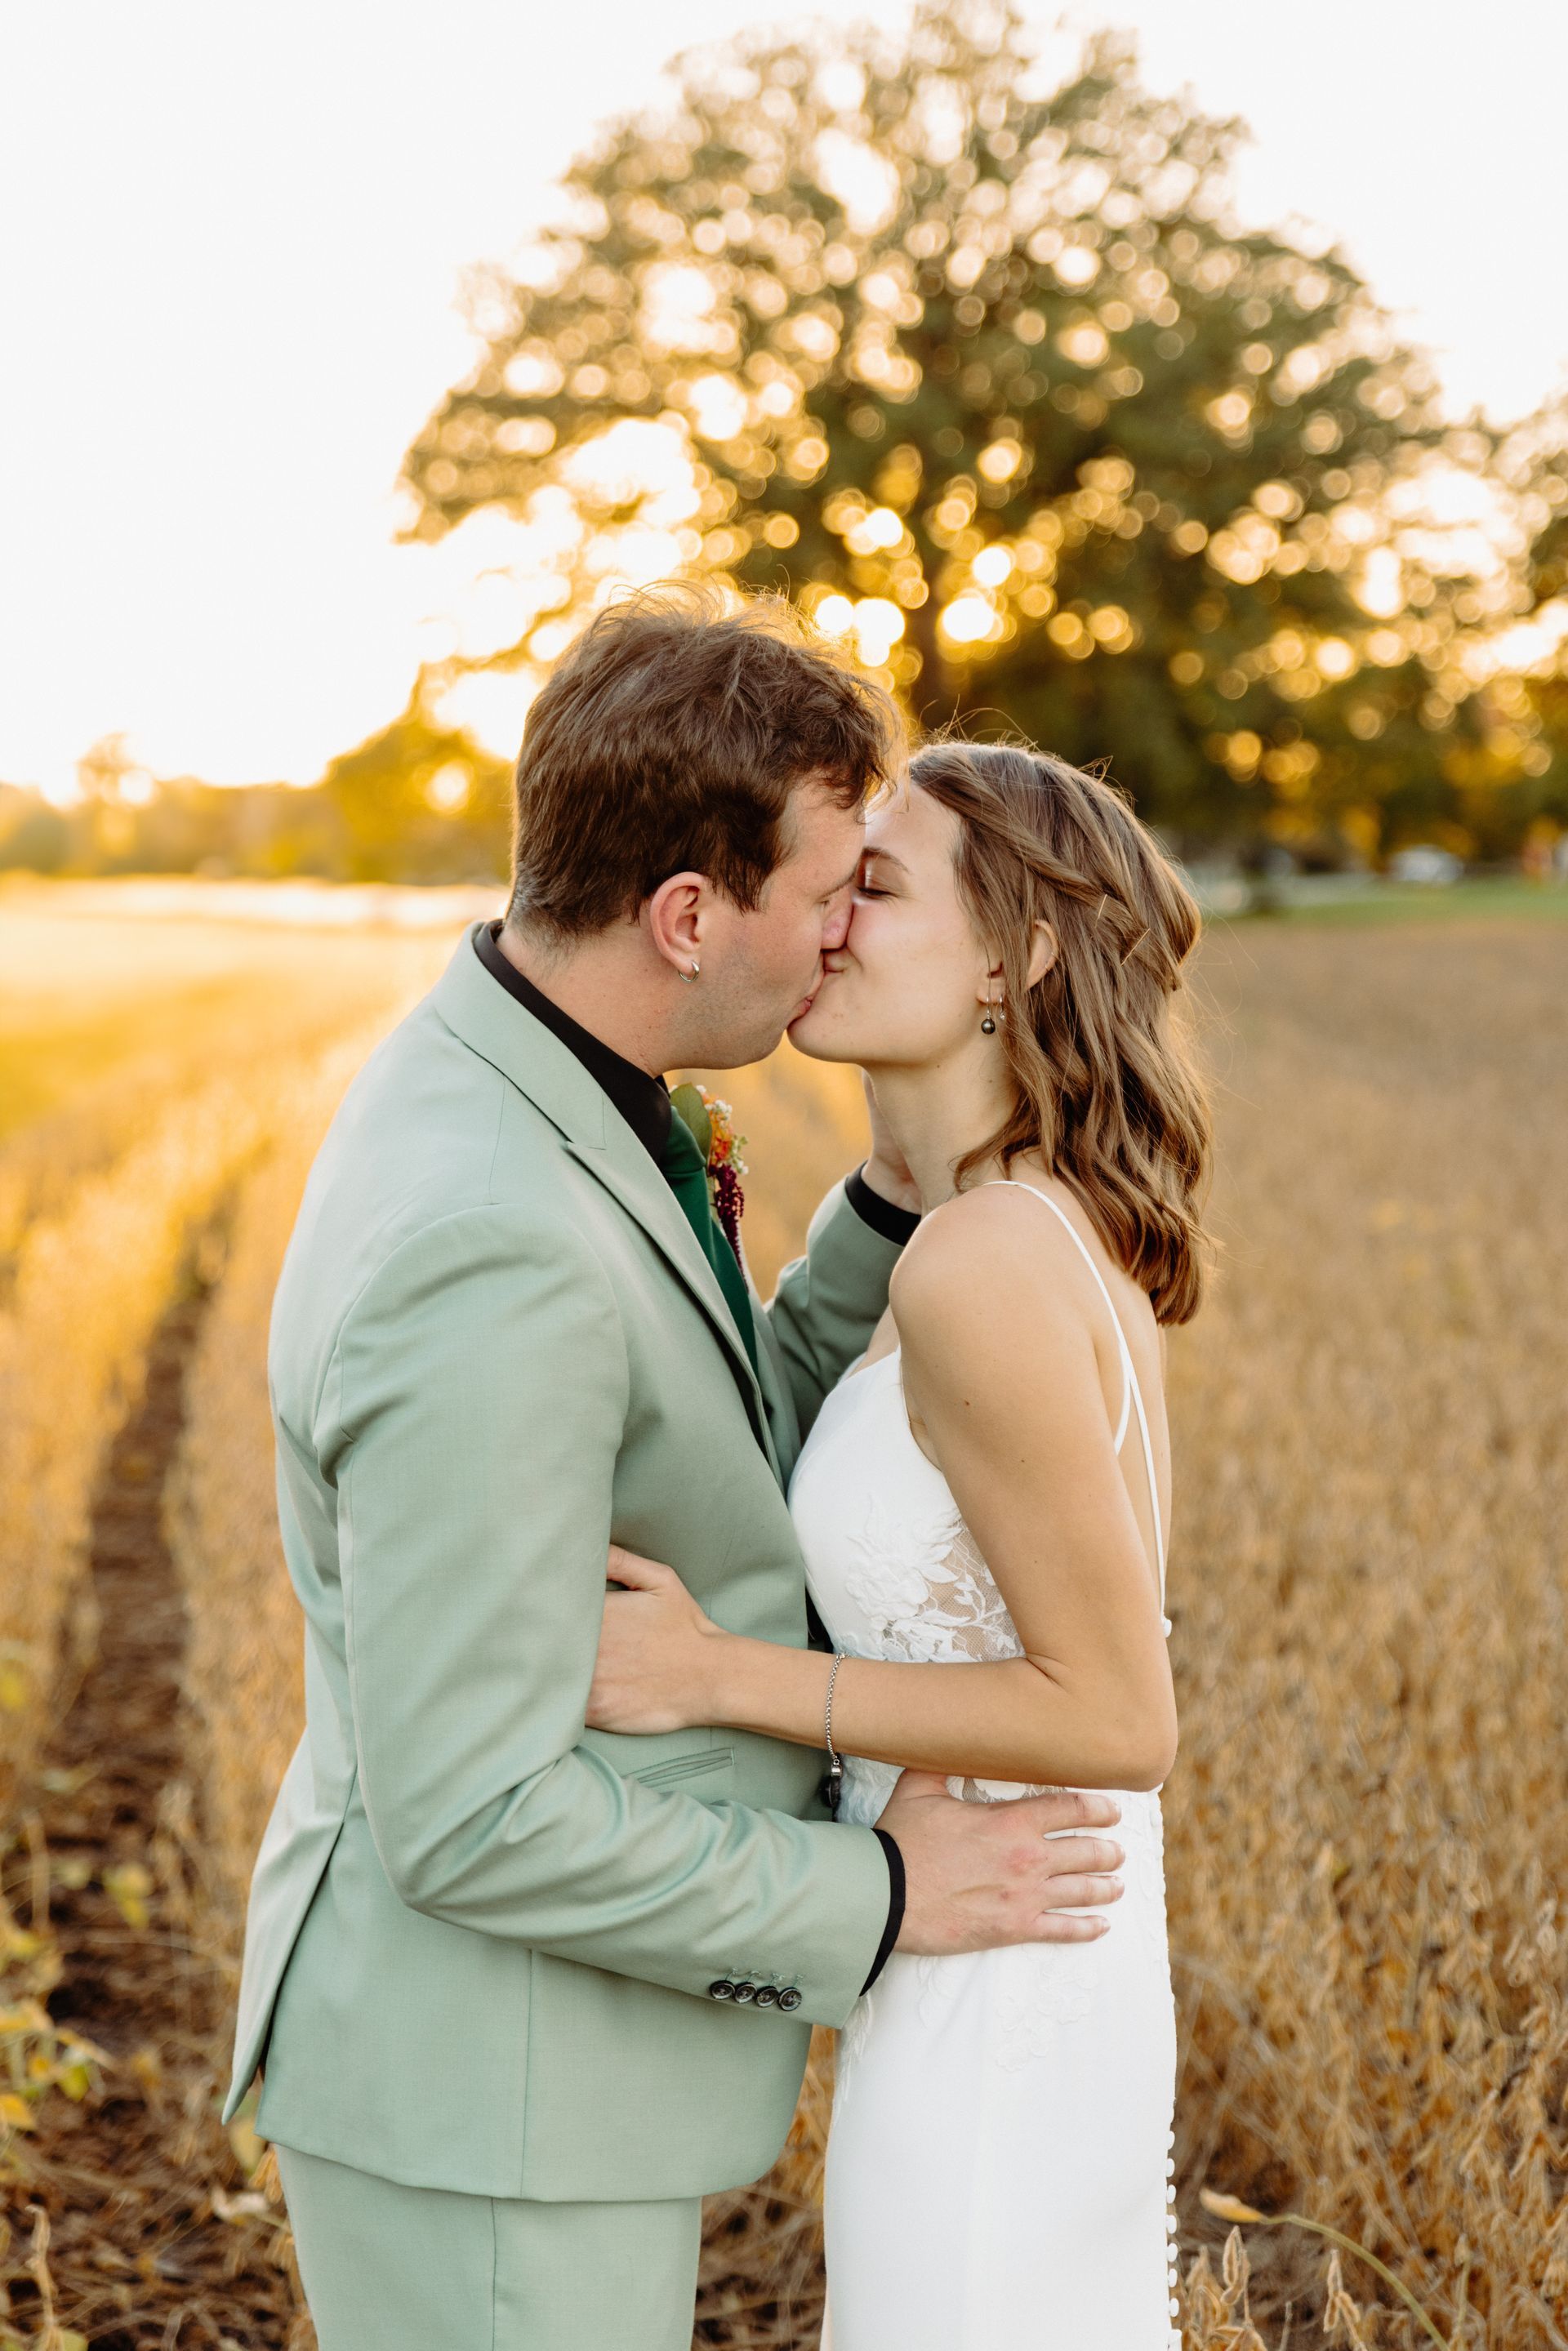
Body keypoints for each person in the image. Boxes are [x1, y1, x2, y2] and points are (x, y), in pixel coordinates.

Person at [223, 590, 1129, 2351]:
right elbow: (475, 1817)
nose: (838, 941)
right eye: (825, 894)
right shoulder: (494, 1241)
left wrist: (881, 1204)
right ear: (690, 914)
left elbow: (700, 1450)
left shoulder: (543, 1072)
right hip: (487, 2110)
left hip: (536, 2093)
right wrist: (878, 1900)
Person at [589, 737, 1210, 2346]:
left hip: (995, 2003)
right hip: (1009, 1962)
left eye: (877, 885)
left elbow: (1118, 1712)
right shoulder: (1035, 1230)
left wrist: (719, 1676)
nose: (826, 922)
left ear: (1018, 954)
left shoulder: (983, 1269)